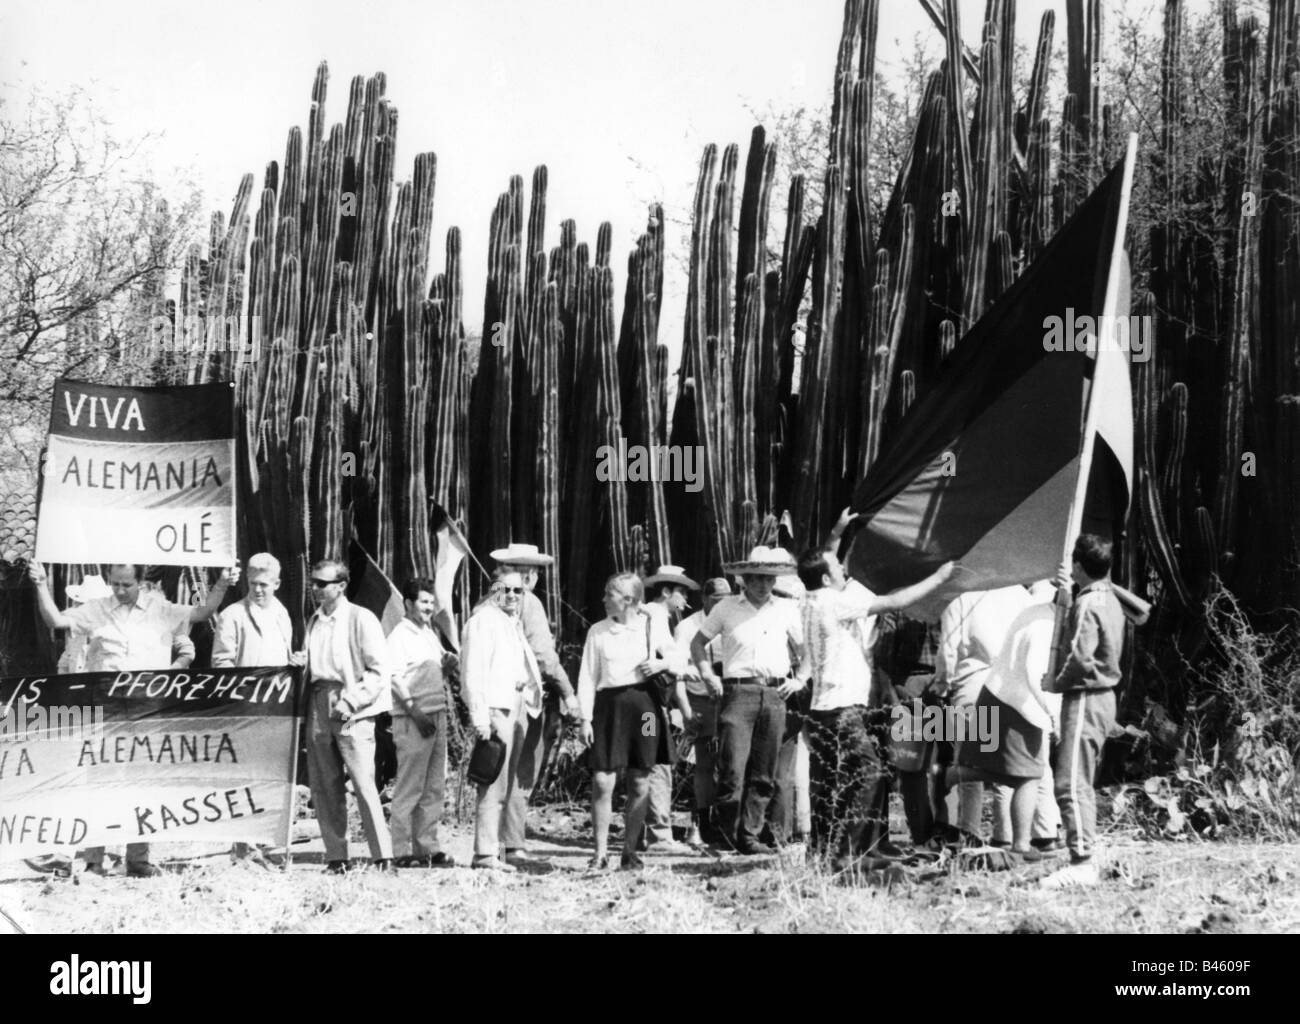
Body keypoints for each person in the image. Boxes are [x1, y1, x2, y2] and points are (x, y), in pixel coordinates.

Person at [27, 561, 237, 878]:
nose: (120, 591)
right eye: (115, 584)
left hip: (146, 711)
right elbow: (55, 620)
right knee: (101, 784)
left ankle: (138, 859)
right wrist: (41, 583)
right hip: (107, 712)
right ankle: (94, 862)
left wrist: (222, 583)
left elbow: (201, 613)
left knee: (144, 782)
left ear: (140, 581)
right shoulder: (94, 610)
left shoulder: (161, 610)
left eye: (127, 584)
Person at [792, 548, 955, 866]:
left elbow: (814, 563)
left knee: (831, 781)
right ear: (826, 578)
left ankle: (824, 852)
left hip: (822, 708)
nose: (843, 568)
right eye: (837, 566)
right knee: (869, 773)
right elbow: (895, 602)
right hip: (843, 708)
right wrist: (940, 576)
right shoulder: (835, 601)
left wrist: (837, 533)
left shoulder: (807, 599)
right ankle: (850, 854)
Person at [689, 546, 804, 855]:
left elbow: (808, 649)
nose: (762, 585)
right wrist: (707, 674)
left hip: (775, 693)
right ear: (744, 579)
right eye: (756, 578)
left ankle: (750, 837)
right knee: (732, 767)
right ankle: (727, 836)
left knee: (764, 772)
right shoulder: (726, 608)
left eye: (768, 579)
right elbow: (698, 642)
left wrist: (800, 679)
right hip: (738, 691)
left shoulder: (786, 609)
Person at [578, 572, 686, 870]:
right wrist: (584, 719)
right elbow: (587, 677)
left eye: (608, 595)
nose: (603, 600)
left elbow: (680, 661)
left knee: (641, 778)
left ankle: (630, 851)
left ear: (628, 600)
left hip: (646, 711)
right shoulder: (598, 632)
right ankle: (600, 853)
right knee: (603, 780)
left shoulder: (651, 626)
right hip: (609, 711)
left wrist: (661, 662)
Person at [1041, 534, 1125, 889]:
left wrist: (1054, 682)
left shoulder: (1088, 604)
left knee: (1070, 781)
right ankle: (1084, 851)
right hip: (1103, 697)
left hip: (1086, 697)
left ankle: (1082, 861)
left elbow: (1079, 657)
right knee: (1081, 778)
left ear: (1078, 566)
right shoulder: (1109, 597)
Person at [953, 582, 1059, 864]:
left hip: (991, 689)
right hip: (1015, 698)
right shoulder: (1038, 613)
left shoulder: (1034, 607)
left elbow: (951, 650)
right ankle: (1026, 841)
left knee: (997, 770)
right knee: (1029, 773)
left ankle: (980, 832)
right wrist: (1053, 713)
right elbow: (1035, 672)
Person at [211, 552, 306, 864]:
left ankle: (268, 843)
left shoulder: (282, 613)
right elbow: (222, 663)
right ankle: (242, 846)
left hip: (277, 709)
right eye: (253, 584)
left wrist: (294, 663)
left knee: (272, 777)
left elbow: (283, 653)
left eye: (264, 584)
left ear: (277, 584)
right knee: (243, 777)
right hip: (245, 710)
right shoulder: (232, 615)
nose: (258, 590)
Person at [489, 542, 580, 865]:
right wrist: (568, 691)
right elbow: (543, 655)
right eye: (536, 572)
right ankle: (513, 842)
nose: (538, 578)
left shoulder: (487, 603)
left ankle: (492, 841)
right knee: (522, 769)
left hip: (495, 696)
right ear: (528, 574)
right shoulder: (530, 602)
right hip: (527, 697)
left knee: (499, 769)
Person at [302, 558, 393, 874]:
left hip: (351, 706)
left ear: (341, 586)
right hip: (318, 702)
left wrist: (352, 701)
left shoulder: (361, 618)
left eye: (321, 583)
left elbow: (379, 669)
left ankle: (383, 857)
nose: (314, 588)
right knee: (325, 785)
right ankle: (337, 857)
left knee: (363, 782)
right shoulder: (313, 620)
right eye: (313, 581)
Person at [934, 584, 1036, 845]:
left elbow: (947, 651)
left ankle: (970, 833)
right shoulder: (1022, 595)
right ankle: (1005, 835)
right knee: (1005, 762)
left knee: (971, 766)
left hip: (973, 685)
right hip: (1010, 687)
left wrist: (942, 686)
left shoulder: (962, 598)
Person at [462, 568, 544, 873]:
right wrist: (480, 718)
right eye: (504, 590)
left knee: (505, 784)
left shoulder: (512, 622)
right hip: (496, 710)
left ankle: (492, 851)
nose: (510, 596)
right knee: (492, 784)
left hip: (514, 706)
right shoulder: (483, 620)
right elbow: (473, 672)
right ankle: (484, 854)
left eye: (516, 591)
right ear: (493, 590)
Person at [386, 577, 457, 868]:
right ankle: (401, 851)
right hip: (412, 719)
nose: (429, 607)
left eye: (431, 602)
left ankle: (427, 847)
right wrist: (417, 714)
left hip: (436, 715)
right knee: (410, 787)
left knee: (433, 787)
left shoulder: (428, 633)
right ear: (408, 604)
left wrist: (448, 667)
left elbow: (433, 673)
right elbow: (395, 679)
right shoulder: (399, 636)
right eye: (423, 602)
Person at [640, 564, 699, 855]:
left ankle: (645, 831)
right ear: (666, 591)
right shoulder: (655, 615)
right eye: (681, 592)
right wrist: (673, 666)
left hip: (651, 705)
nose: (684, 598)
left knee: (647, 762)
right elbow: (659, 659)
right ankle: (659, 835)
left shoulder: (651, 615)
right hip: (649, 706)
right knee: (655, 761)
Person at [674, 577, 731, 846]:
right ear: (705, 600)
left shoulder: (734, 619)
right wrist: (685, 709)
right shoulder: (687, 627)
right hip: (699, 700)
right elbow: (678, 673)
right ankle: (701, 821)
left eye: (727, 598)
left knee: (731, 759)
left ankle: (728, 820)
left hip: (730, 697)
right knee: (704, 762)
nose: (723, 604)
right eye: (717, 599)